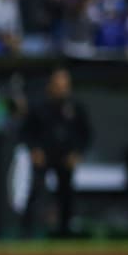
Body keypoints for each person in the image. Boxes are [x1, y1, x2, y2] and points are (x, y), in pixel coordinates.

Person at [21, 66, 92, 237]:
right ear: (51, 85)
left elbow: (86, 133)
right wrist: (34, 150)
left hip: (66, 156)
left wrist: (77, 152)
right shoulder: (39, 106)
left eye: (65, 85)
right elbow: (26, 132)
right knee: (36, 192)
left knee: (66, 194)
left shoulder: (75, 107)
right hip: (43, 155)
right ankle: (28, 231)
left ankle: (64, 231)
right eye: (59, 84)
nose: (63, 88)